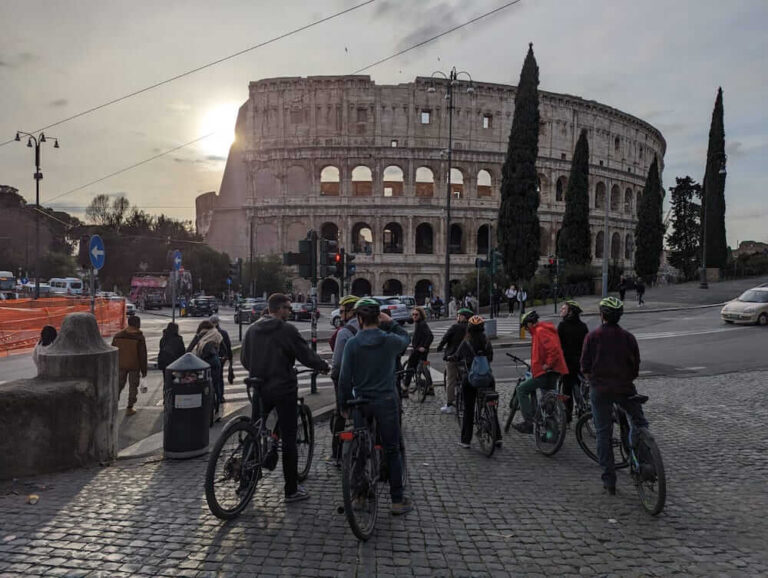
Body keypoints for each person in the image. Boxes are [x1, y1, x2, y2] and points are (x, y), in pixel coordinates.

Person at [241, 293, 329, 503]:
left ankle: (245, 480)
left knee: (254, 430)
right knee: (289, 437)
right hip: (283, 387)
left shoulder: (252, 329)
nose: (290, 312)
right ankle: (291, 489)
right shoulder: (286, 329)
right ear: (279, 309)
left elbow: (245, 359)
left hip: (259, 386)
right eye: (288, 308)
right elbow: (305, 355)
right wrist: (323, 366)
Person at [338, 298, 413, 515]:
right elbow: (405, 338)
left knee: (360, 450)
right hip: (386, 400)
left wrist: (343, 403)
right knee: (391, 449)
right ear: (377, 319)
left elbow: (344, 378)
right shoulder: (389, 340)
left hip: (361, 402)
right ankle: (397, 500)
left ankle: (359, 496)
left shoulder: (352, 343)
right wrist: (390, 323)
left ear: (359, 319)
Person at [581, 297, 647, 495]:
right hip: (625, 388)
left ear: (602, 315)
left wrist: (593, 379)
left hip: (601, 390)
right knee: (639, 423)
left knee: (603, 433)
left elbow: (585, 366)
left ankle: (609, 479)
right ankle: (643, 458)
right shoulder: (628, 337)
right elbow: (635, 366)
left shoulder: (593, 337)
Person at [512, 310, 568, 434]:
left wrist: (547, 365)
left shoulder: (540, 331)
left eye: (525, 326)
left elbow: (553, 349)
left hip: (546, 372)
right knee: (548, 401)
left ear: (530, 323)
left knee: (521, 389)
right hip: (553, 371)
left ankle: (529, 422)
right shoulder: (541, 331)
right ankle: (552, 435)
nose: (525, 329)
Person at [450, 315, 502, 448]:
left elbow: (456, 356)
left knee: (468, 409)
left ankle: (466, 440)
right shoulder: (486, 341)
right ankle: (497, 438)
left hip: (471, 379)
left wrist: (452, 357)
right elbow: (490, 357)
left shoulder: (466, 341)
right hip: (487, 378)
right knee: (491, 407)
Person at [328, 295, 361, 464]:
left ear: (351, 312)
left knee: (341, 413)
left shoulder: (344, 332)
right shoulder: (371, 328)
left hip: (345, 379)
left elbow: (338, 362)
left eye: (342, 311)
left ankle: (337, 453)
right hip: (365, 379)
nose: (340, 315)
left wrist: (335, 376)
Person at [435, 308, 473, 414]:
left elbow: (445, 338)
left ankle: (449, 405)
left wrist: (440, 347)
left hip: (453, 357)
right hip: (466, 358)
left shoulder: (455, 327)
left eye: (459, 315)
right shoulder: (471, 328)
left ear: (463, 317)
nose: (457, 317)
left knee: (451, 380)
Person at [557, 300, 589, 422]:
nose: (561, 310)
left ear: (570, 312)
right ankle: (582, 410)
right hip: (580, 363)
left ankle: (568, 415)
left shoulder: (562, 326)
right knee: (579, 386)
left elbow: (558, 346)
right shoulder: (583, 326)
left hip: (567, 363)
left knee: (567, 391)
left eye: (564, 309)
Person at [111, 315, 148, 417]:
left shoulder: (118, 336)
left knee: (118, 386)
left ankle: (113, 406)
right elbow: (142, 355)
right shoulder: (139, 337)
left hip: (120, 365)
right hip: (134, 366)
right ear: (137, 324)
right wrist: (144, 371)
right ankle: (129, 408)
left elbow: (113, 351)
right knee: (133, 387)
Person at [188, 320, 224, 411]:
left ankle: (204, 404)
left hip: (203, 363)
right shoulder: (216, 334)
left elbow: (189, 349)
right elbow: (224, 347)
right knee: (216, 383)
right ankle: (217, 404)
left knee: (202, 383)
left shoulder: (200, 335)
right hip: (215, 361)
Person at [402, 306, 433, 394]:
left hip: (419, 351)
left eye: (416, 314)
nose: (414, 316)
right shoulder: (419, 323)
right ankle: (430, 388)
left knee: (410, 368)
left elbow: (430, 336)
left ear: (420, 315)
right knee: (424, 369)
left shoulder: (422, 324)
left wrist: (424, 347)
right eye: (413, 314)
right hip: (421, 350)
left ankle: (405, 388)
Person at [210, 314, 233, 400]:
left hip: (212, 357)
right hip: (222, 357)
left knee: (212, 376)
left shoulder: (209, 333)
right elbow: (228, 346)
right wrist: (230, 358)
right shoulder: (224, 333)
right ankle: (220, 395)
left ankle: (215, 395)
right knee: (219, 376)